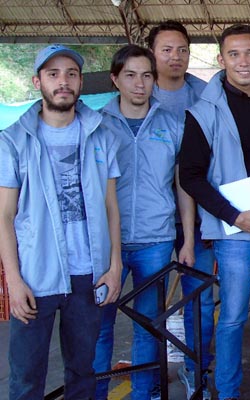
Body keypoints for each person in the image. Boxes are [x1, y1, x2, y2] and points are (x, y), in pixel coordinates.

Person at [1, 44, 122, 399]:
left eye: (71, 74)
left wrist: (114, 266)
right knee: (26, 377)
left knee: (83, 371)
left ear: (81, 82)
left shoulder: (101, 134)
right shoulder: (13, 141)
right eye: (53, 75)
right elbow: (4, 216)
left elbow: (111, 207)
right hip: (36, 276)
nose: (63, 82)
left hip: (88, 275)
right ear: (37, 82)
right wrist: (14, 280)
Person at [179, 24, 250, 400]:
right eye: (234, 54)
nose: (243, 62)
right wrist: (232, 215)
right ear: (220, 60)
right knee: (232, 317)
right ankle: (225, 391)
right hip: (234, 231)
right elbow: (190, 177)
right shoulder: (202, 111)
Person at [92, 44, 192, 400]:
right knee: (99, 330)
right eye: (131, 75)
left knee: (148, 326)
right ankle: (97, 393)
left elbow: (183, 186)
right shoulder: (96, 124)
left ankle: (142, 394)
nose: (140, 84)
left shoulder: (173, 124)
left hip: (155, 240)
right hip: (103, 245)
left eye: (147, 76)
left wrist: (188, 240)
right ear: (115, 79)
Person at [146, 20, 214, 399]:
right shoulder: (138, 92)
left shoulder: (206, 97)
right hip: (151, 224)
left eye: (182, 50)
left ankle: (195, 375)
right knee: (148, 306)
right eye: (166, 49)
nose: (175, 57)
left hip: (199, 221)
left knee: (199, 301)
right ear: (152, 53)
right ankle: (152, 377)